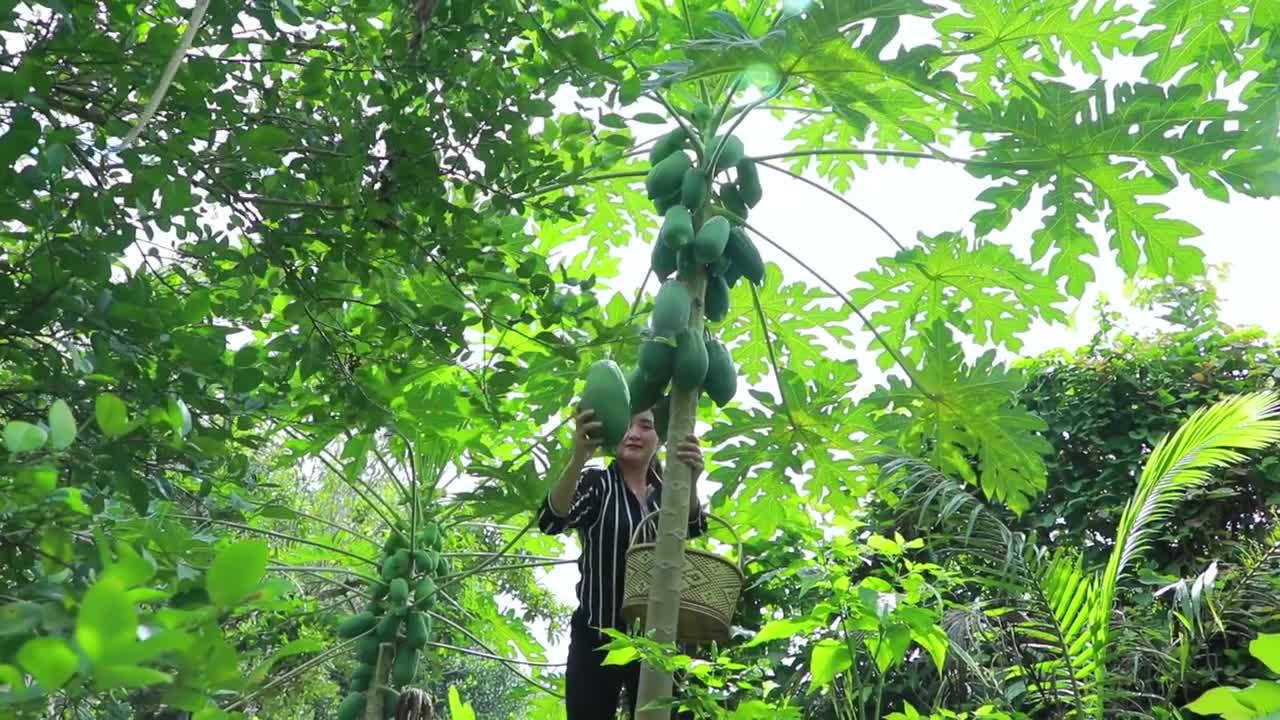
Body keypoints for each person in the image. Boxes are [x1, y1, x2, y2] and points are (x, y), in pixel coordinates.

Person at [539, 403, 707, 719]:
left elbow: (694, 527)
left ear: (660, 436)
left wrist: (692, 479)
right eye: (626, 426)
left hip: (658, 640)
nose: (633, 434)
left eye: (645, 425)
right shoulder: (597, 483)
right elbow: (551, 521)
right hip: (598, 636)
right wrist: (579, 458)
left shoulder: (667, 491)